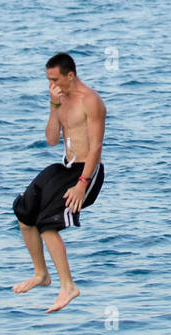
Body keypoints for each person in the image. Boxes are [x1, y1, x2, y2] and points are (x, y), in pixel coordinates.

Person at [11, 52, 105, 313]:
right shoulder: (59, 99)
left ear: (70, 75)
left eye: (55, 79)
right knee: (24, 213)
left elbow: (96, 147)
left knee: (47, 224)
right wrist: (53, 106)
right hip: (64, 168)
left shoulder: (92, 101)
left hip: (86, 172)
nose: (51, 84)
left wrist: (82, 184)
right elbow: (52, 140)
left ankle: (68, 286)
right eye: (48, 79)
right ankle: (41, 274)